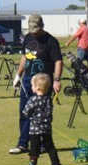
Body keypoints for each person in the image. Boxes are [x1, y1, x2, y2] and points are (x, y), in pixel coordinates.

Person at [10, 14, 63, 154]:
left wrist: (57, 80)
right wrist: (18, 75)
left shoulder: (51, 41)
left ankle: (43, 144)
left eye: (36, 29)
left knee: (42, 115)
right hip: (27, 81)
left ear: (41, 26)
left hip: (44, 82)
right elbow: (24, 57)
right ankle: (23, 144)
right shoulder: (27, 38)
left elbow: (58, 61)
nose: (34, 32)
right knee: (24, 112)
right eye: (32, 29)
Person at [22, 73, 61, 165]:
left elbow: (25, 112)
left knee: (34, 148)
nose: (31, 87)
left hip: (35, 129)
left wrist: (29, 114)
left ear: (37, 88)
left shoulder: (33, 99)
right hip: (46, 128)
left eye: (32, 86)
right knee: (50, 146)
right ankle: (56, 164)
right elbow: (49, 112)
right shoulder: (48, 99)